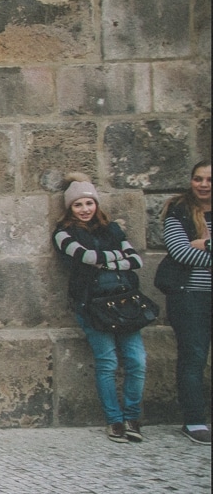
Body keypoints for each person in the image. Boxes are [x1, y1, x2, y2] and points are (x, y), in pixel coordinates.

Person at [53, 174, 147, 443]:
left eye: (89, 203)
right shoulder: (63, 234)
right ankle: (114, 420)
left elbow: (136, 260)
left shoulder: (113, 229)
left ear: (96, 204)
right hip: (91, 303)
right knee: (107, 361)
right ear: (70, 208)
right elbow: (85, 257)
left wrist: (105, 262)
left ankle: (132, 417)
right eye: (78, 205)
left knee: (137, 361)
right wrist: (118, 257)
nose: (85, 209)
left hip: (124, 301)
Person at [157, 160, 212, 445]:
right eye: (198, 179)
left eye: (209, 179)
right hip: (189, 296)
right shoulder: (178, 210)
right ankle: (193, 421)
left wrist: (206, 244)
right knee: (193, 357)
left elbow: (197, 250)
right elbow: (180, 251)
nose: (203, 184)